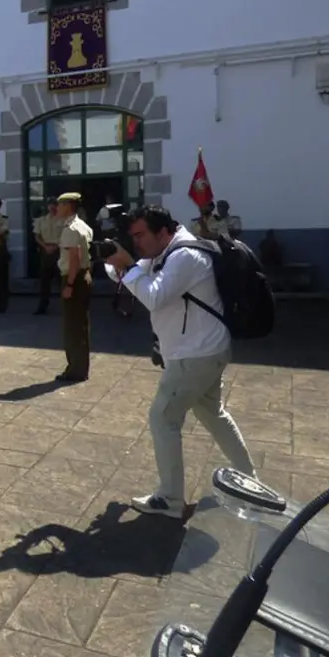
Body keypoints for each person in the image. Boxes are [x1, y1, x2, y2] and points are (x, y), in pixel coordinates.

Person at [103, 205, 257, 518]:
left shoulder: (184, 256)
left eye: (140, 235)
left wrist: (129, 266)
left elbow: (154, 296)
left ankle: (171, 500)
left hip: (195, 354)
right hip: (203, 350)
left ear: (163, 232)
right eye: (132, 236)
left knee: (163, 418)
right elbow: (139, 273)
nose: (137, 242)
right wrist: (115, 262)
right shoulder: (167, 252)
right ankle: (250, 481)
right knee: (213, 414)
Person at [56, 192, 93, 382]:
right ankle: (80, 367)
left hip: (74, 278)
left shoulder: (71, 229)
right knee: (81, 325)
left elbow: (74, 258)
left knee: (73, 326)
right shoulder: (83, 226)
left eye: (60, 205)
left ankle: (75, 370)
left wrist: (69, 284)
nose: (57, 208)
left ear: (68, 206)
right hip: (83, 275)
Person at [33, 200, 63, 315]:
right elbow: (37, 236)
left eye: (54, 205)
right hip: (46, 251)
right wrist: (45, 246)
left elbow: (66, 235)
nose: (52, 207)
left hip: (58, 251)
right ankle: (42, 306)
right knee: (44, 281)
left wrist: (55, 247)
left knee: (61, 280)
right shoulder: (41, 220)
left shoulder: (63, 220)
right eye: (50, 205)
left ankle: (66, 306)